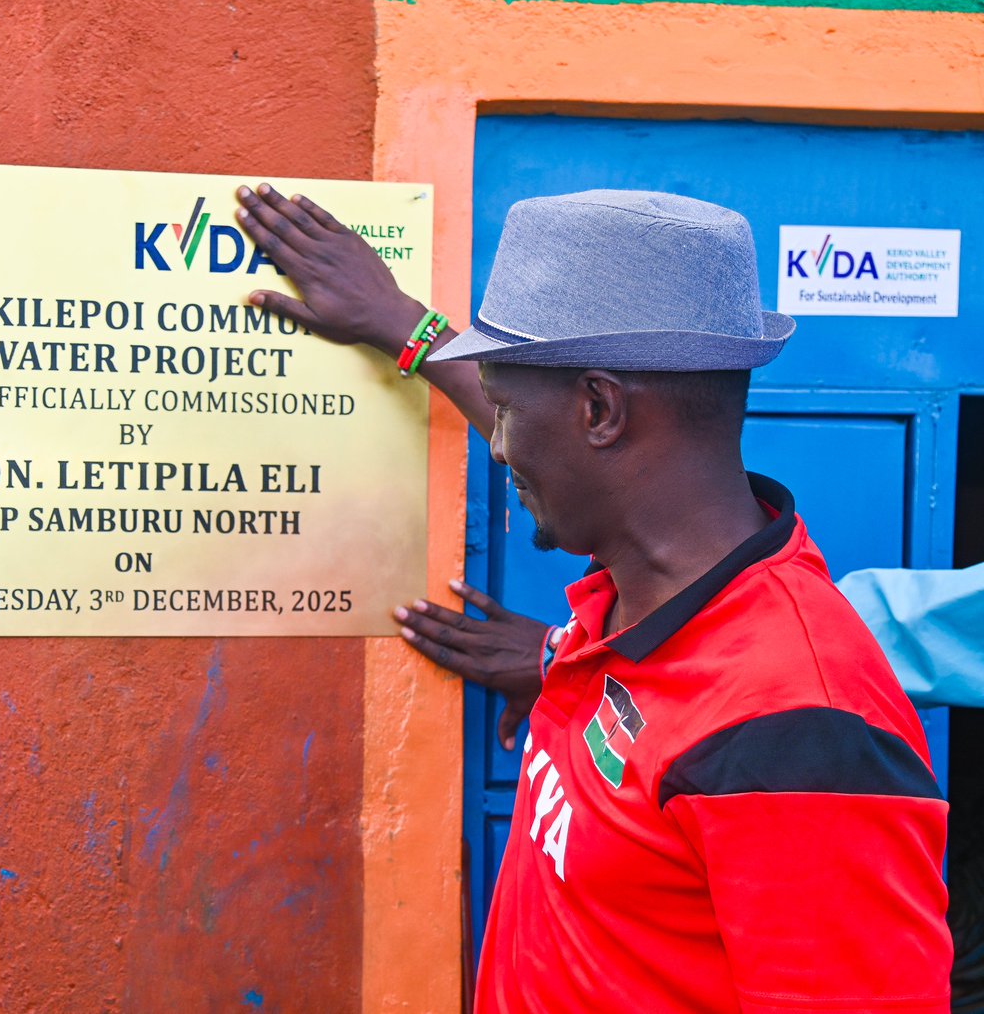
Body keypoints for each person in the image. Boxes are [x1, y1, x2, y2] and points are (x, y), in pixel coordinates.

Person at [236, 184, 952, 1010]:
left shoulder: (796, 735)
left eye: (505, 409)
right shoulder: (649, 584)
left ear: (600, 410)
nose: (498, 445)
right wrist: (402, 322)